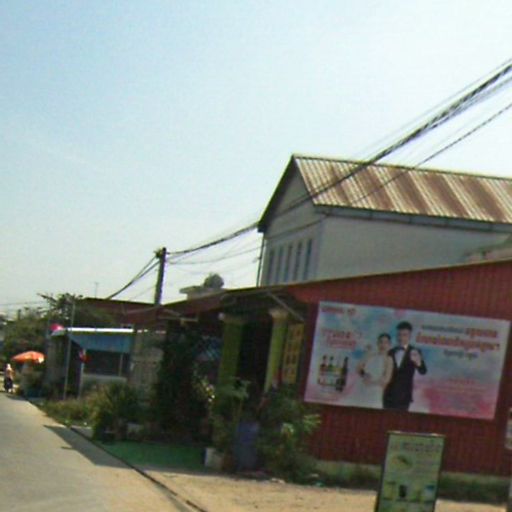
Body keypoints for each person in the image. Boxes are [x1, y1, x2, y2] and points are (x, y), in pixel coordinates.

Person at [383, 321, 427, 411]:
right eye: (399, 335)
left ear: (410, 336)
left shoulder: (415, 351)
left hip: (404, 397)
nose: (401, 337)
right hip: (388, 395)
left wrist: (418, 362)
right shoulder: (391, 352)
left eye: (404, 335)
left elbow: (423, 371)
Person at [352, 334, 393, 408]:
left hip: (375, 391)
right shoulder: (370, 355)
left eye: (385, 342)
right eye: (381, 342)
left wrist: (371, 383)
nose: (383, 345)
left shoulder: (388, 359)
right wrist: (364, 375)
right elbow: (358, 368)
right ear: (377, 343)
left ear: (389, 345)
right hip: (361, 388)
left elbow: (387, 379)